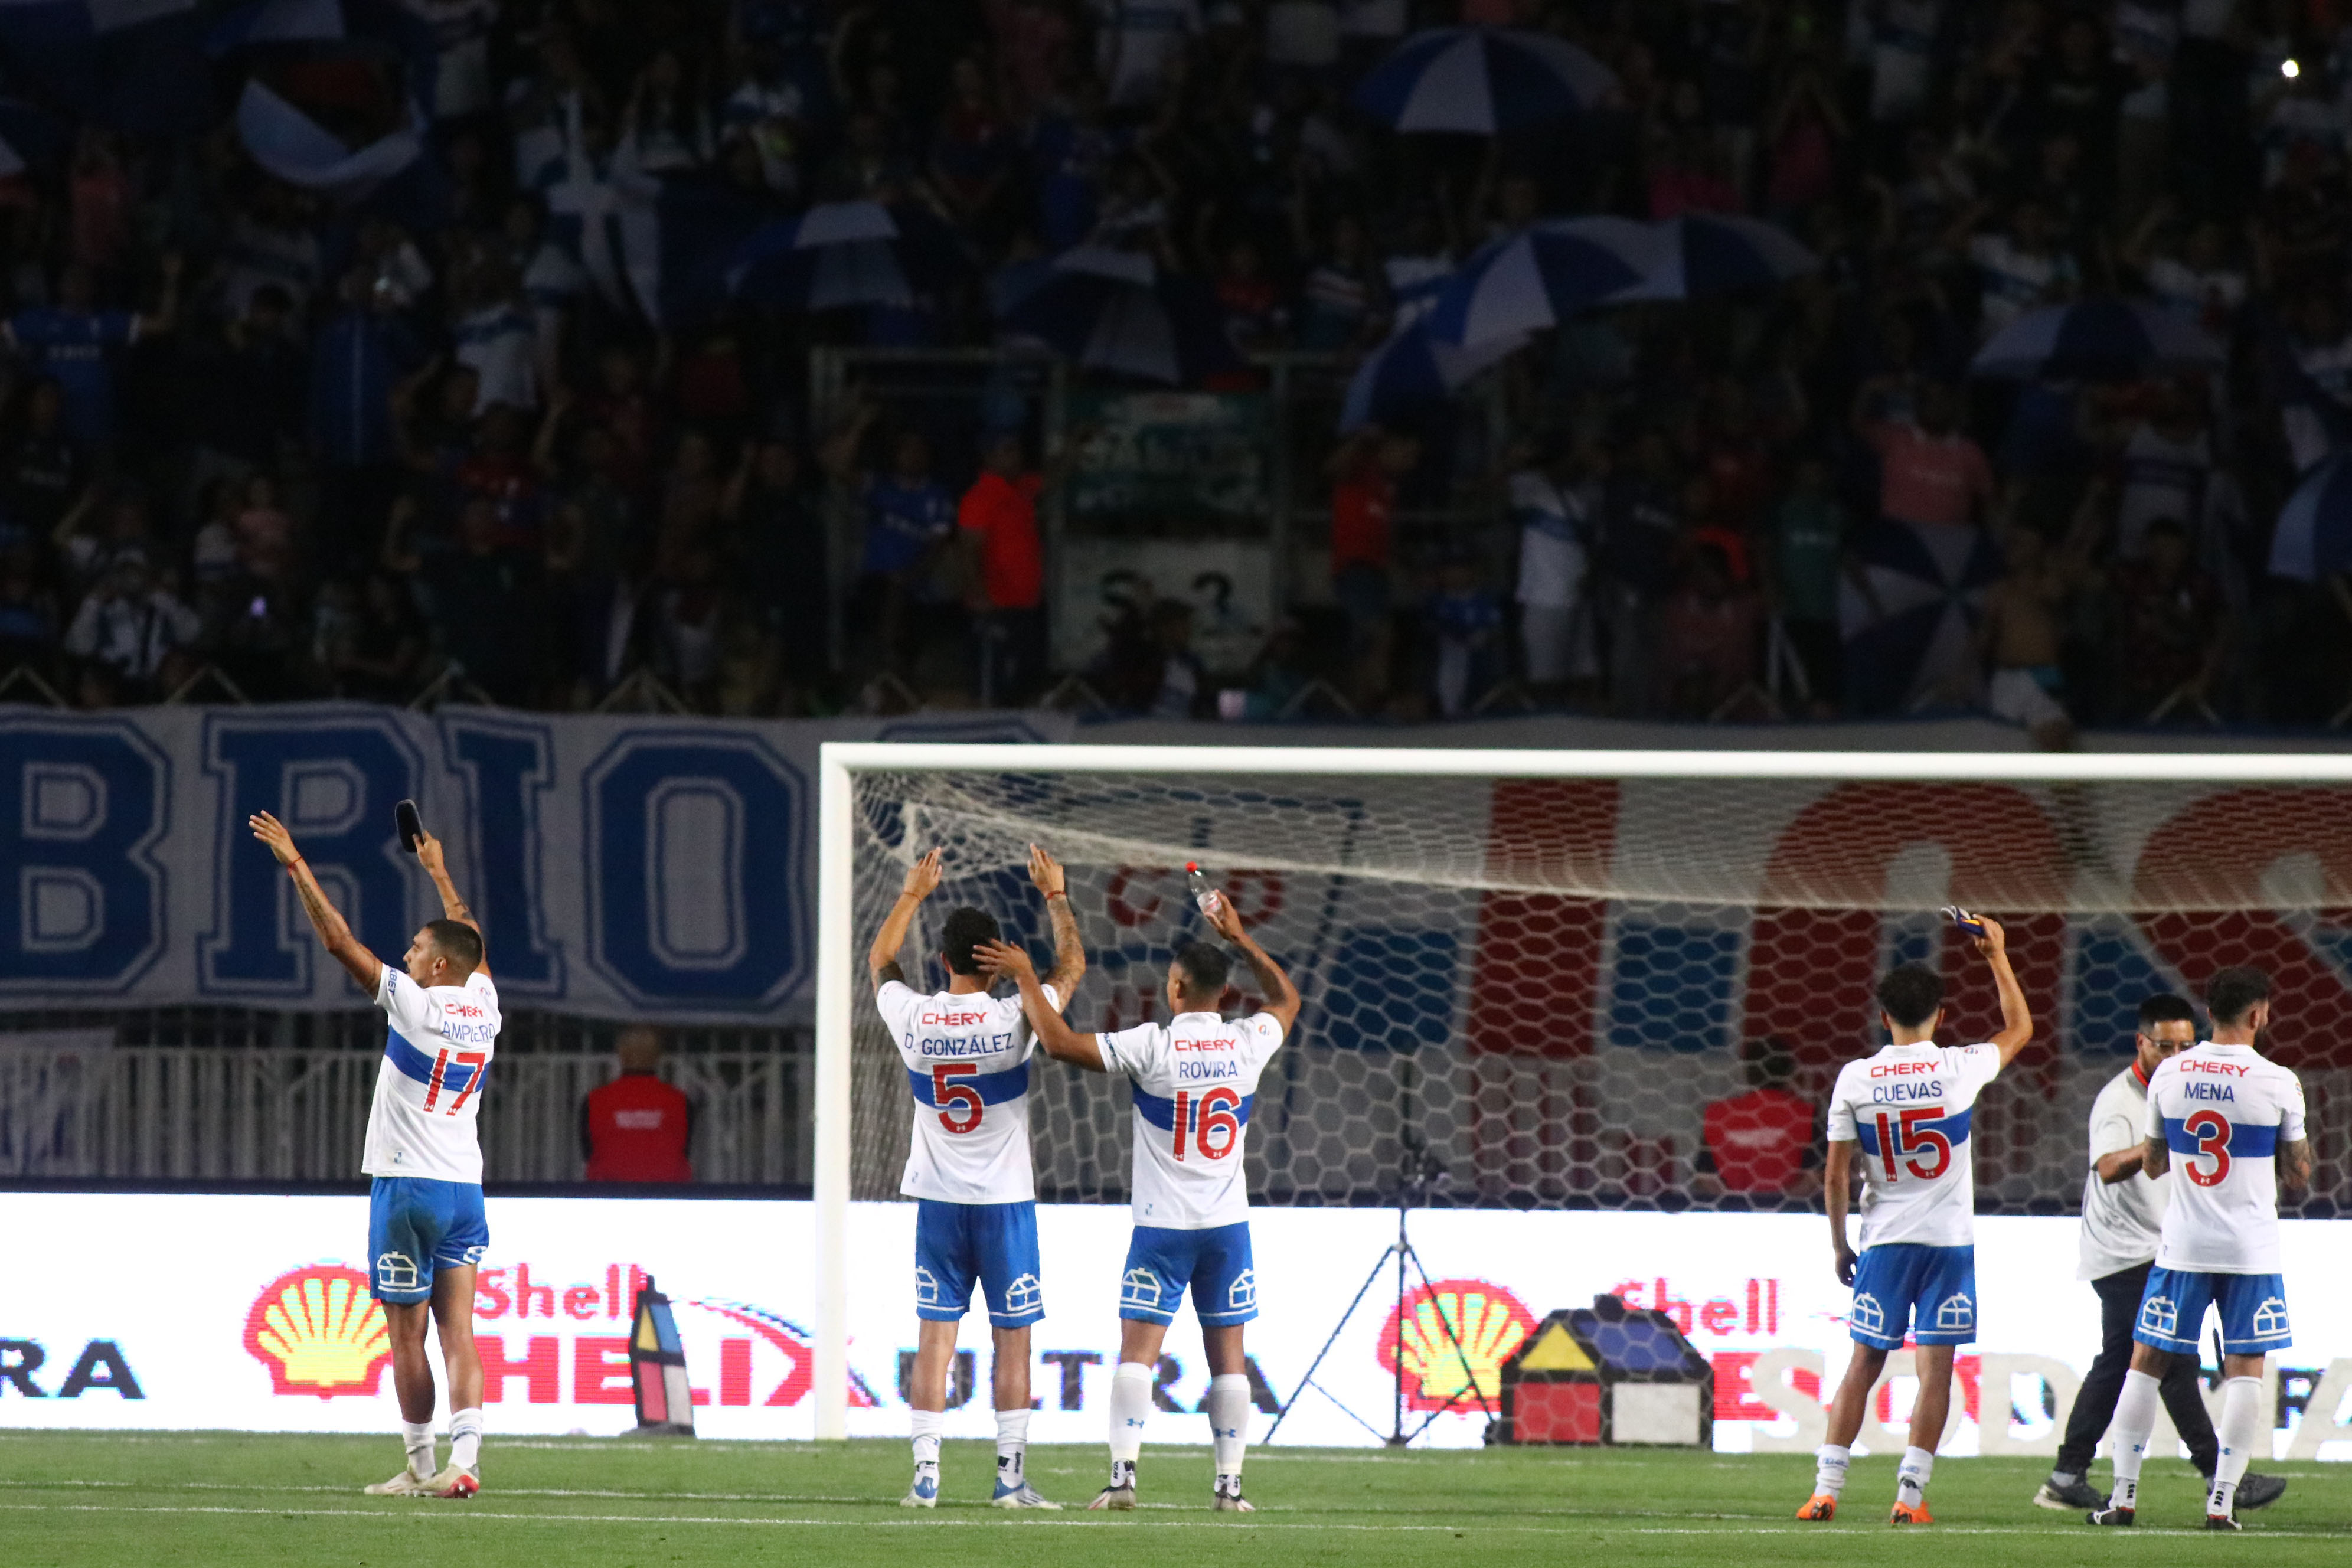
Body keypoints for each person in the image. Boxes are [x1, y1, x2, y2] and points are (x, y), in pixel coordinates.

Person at [981, 880, 1302, 1515]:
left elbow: (1059, 1043)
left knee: (1138, 1355)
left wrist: (1026, 979)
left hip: (1161, 1229)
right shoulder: (1249, 1042)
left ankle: (1123, 1478)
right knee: (1229, 1360)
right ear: (1225, 994)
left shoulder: (1153, 1044)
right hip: (1227, 1227)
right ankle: (1229, 1488)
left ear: (1175, 989)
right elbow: (1287, 998)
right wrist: (1240, 936)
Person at [247, 808, 495, 1500]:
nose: (406, 955)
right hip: (464, 1190)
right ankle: (467, 1460)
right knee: (459, 1330)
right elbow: (471, 936)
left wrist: (296, 864)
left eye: (416, 948)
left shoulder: (417, 1004)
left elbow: (339, 941)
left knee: (407, 1334)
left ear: (438, 966)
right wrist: (439, 871)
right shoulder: (486, 1003)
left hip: (408, 1188)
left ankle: (420, 1466)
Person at [868, 842, 1083, 1510]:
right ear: (996, 961)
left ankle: (925, 1478)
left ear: (944, 961)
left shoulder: (912, 1015)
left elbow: (880, 961)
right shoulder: (1016, 1014)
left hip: (938, 1202)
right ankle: (1009, 1480)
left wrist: (912, 894)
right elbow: (1071, 967)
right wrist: (1055, 896)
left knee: (936, 1338)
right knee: (1012, 1341)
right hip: (1005, 1205)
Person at [1798, 923, 2032, 1525]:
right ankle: (1909, 1495)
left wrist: (1839, 1245)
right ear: (1941, 1015)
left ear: (1884, 1017)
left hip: (1884, 1243)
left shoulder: (1856, 1078)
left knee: (1863, 1363)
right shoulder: (1958, 1066)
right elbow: (2019, 1030)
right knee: (1935, 1371)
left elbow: (1836, 1175)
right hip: (1948, 1247)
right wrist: (1997, 956)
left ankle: (1825, 1490)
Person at [2036, 994, 2285, 1514]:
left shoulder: (2187, 1088)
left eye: (2185, 1046)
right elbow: (2107, 1167)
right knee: (2169, 1362)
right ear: (2141, 1043)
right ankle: (2219, 1475)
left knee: (2123, 1361)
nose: (2175, 1056)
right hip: (2124, 1249)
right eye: (2164, 1046)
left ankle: (2067, 1474)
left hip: (2160, 1246)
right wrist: (2164, 1140)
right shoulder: (2120, 1099)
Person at [2088, 967, 2314, 1530]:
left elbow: (2154, 1163)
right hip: (2250, 1251)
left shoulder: (2170, 1074)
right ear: (2259, 1015)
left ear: (2208, 1014)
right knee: (2245, 1372)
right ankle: (2222, 1504)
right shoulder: (2279, 1081)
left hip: (2183, 1245)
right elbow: (2299, 1173)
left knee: (2145, 1364)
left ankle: (2122, 1499)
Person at [1698, 1038, 1818, 1199]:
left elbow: (1705, 1175)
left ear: (1747, 1071)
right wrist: (1781, 1205)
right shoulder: (1805, 1115)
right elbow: (1817, 1175)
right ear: (1789, 1072)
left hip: (1732, 1209)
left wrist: (1734, 1204)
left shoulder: (1718, 1114)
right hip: (1789, 1211)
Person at [579, 1027, 694, 1183]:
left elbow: (588, 1153)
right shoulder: (681, 1101)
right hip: (669, 1191)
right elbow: (685, 1149)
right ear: (657, 1057)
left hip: (608, 1191)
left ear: (622, 1055)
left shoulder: (594, 1100)